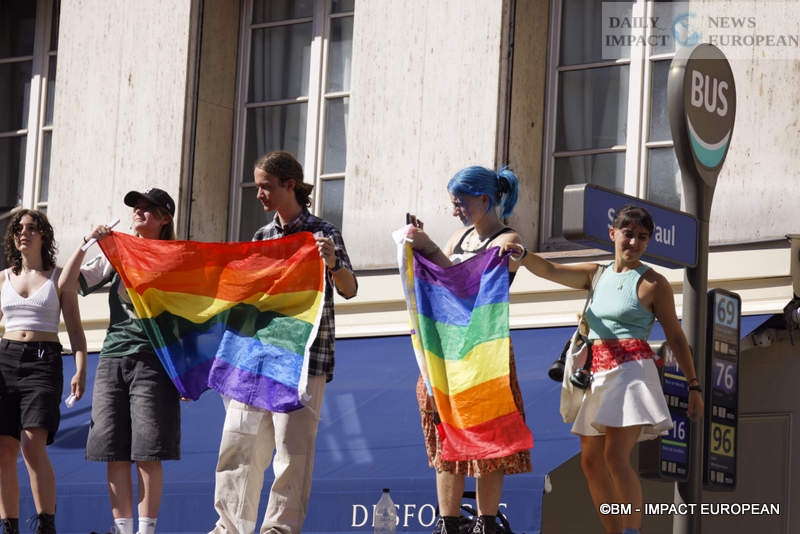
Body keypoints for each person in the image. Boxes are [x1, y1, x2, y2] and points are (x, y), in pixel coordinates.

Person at [502, 204, 704, 534]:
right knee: (590, 461)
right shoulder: (596, 274)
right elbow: (551, 269)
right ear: (613, 234)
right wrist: (523, 255)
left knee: (615, 457)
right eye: (628, 234)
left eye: (642, 237)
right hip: (596, 371)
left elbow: (676, 337)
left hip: (632, 371)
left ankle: (631, 530)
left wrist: (693, 384)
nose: (634, 242)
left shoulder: (654, 283)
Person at [209, 150, 357, 534]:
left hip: (303, 360)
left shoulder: (323, 233)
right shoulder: (261, 237)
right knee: (239, 445)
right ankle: (229, 528)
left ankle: (279, 529)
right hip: (257, 357)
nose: (258, 193)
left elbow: (350, 289)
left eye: (265, 186)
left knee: (292, 453)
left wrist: (334, 264)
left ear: (289, 185)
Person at [404, 165, 531, 534]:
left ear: (484, 200)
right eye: (453, 202)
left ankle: (486, 522)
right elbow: (440, 281)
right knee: (445, 429)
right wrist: (417, 250)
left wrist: (429, 248)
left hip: (484, 354)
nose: (454, 210)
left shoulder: (507, 240)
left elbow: (467, 286)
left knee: (489, 433)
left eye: (460, 202)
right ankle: (448, 521)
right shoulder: (457, 238)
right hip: (448, 351)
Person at [65, 188, 181, 534]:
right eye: (136, 207)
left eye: (149, 208)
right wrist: (87, 242)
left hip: (154, 361)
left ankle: (145, 531)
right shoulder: (116, 252)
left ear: (165, 219)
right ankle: (122, 530)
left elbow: (189, 320)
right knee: (112, 450)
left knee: (148, 452)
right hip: (112, 357)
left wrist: (185, 373)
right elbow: (66, 283)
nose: (139, 212)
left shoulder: (177, 257)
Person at [0, 209, 87, 534]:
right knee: (3, 449)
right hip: (6, 359)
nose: (24, 232)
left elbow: (75, 329)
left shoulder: (59, 277)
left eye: (32, 228)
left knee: (31, 444)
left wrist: (81, 369)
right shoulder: (3, 278)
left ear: (44, 236)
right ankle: (9, 526)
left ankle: (45, 525)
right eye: (18, 228)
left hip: (43, 360)